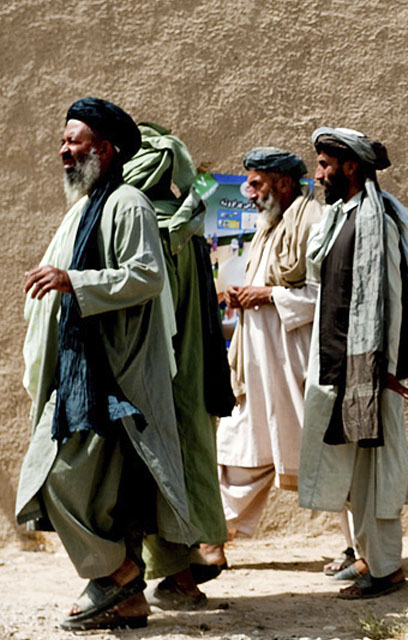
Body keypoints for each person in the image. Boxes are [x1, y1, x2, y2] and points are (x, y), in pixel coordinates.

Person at [17, 97, 196, 630]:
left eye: (74, 141)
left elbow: (146, 276)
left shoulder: (128, 204)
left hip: (115, 375)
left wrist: (75, 281)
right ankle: (128, 595)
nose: (63, 150)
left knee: (54, 477)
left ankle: (116, 573)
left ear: (105, 149)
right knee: (107, 493)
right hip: (82, 368)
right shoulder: (87, 206)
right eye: (65, 141)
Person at [299, 127, 408, 599]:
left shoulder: (377, 222)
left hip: (372, 371)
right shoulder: (341, 217)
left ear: (351, 167)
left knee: (378, 475)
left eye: (325, 165)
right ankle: (365, 558)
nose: (318, 174)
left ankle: (386, 568)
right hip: (342, 368)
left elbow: (388, 301)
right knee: (355, 473)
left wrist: (383, 369)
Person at [122, 123, 236, 607]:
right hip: (191, 370)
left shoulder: (143, 224)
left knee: (159, 471)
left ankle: (180, 578)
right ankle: (195, 561)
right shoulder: (184, 221)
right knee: (190, 460)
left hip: (157, 374)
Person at [215, 148, 323, 550]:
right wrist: (246, 295)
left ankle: (363, 549)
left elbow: (327, 294)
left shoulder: (313, 222)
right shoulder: (268, 225)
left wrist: (268, 295)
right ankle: (215, 538)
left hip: (293, 356)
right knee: (241, 441)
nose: (248, 191)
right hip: (256, 359)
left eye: (256, 183)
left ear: (282, 183)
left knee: (326, 452)